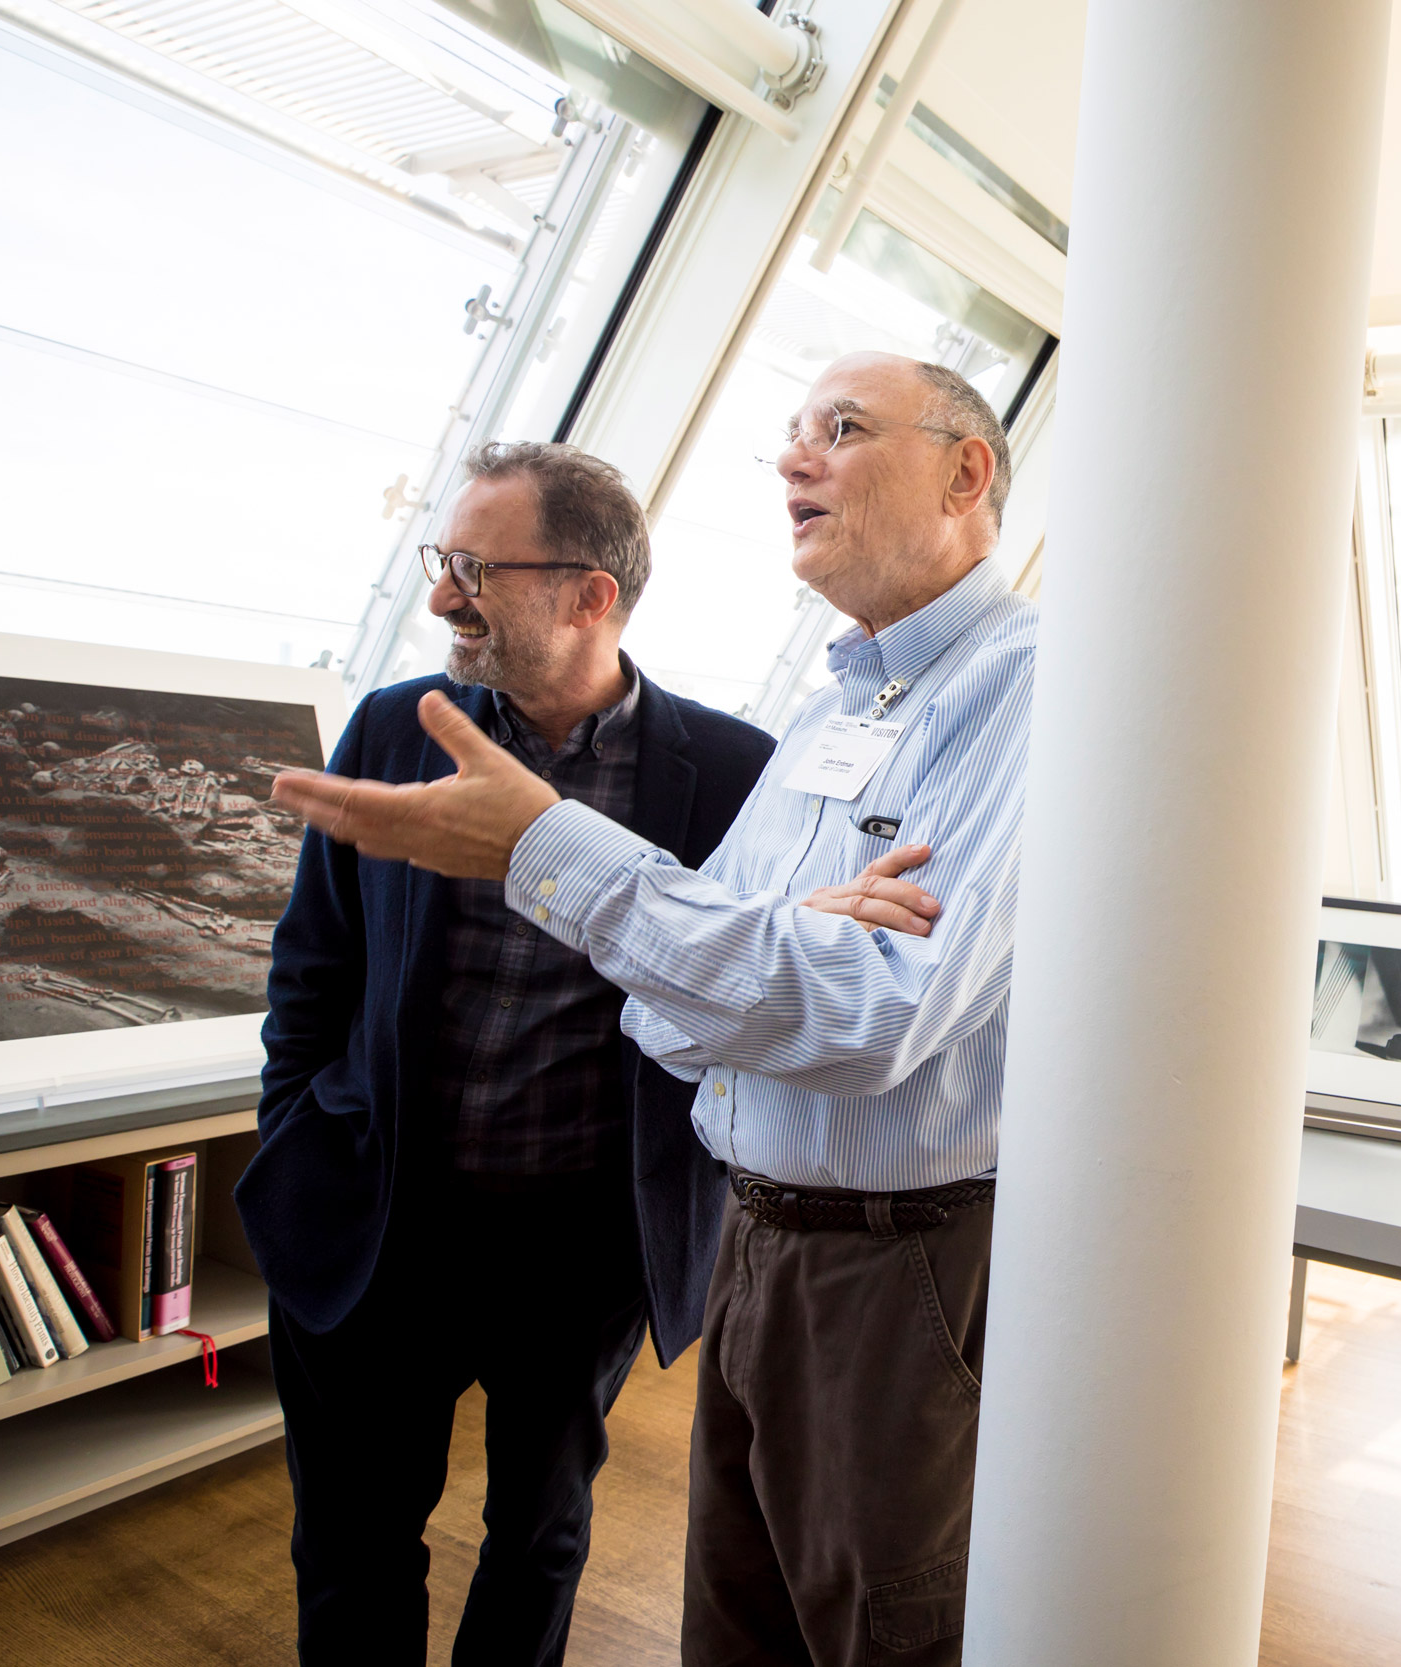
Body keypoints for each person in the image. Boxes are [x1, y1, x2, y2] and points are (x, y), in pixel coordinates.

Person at [270, 352, 1027, 1667]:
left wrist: (548, 850)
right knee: (712, 1613)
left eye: (839, 431)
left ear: (966, 470)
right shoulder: (831, 708)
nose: (793, 461)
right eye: (791, 436)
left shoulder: (963, 702)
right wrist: (768, 939)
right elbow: (672, 1017)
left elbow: (857, 1016)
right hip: (441, 1220)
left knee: (816, 1604)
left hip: (771, 1248)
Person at [237, 441, 778, 1665]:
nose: (441, 595)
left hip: (578, 1245)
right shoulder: (391, 727)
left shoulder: (736, 776)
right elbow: (312, 963)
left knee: (538, 1531)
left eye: (476, 567)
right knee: (352, 1537)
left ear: (592, 592)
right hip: (379, 1220)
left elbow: (745, 987)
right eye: (442, 562)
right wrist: (298, 1133)